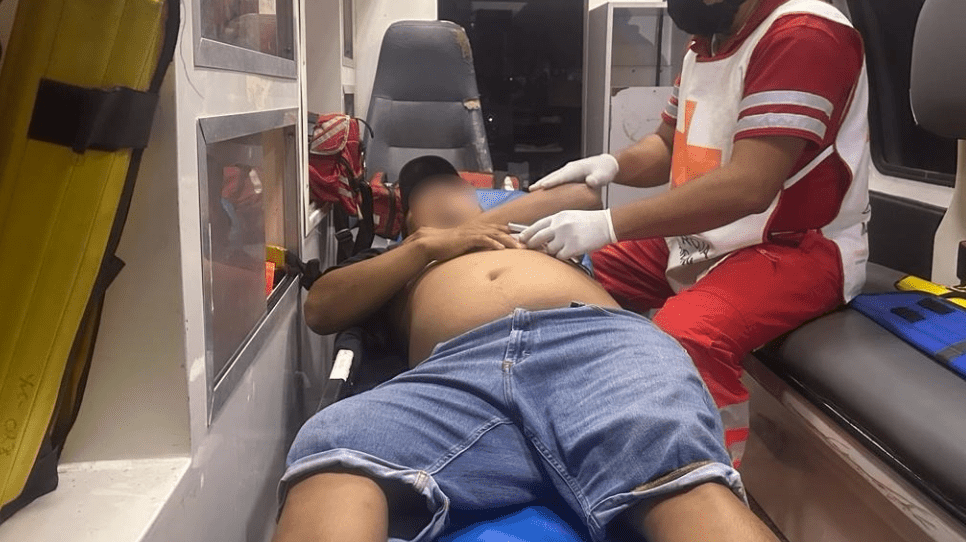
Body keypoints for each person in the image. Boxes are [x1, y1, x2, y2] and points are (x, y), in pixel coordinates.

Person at [522, 0, 871, 466]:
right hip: (709, 234)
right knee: (559, 271)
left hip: (794, 246)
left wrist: (609, 223)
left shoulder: (804, 36)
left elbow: (750, 186)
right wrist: (608, 165)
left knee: (684, 337)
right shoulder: (707, 43)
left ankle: (706, 476)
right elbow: (666, 146)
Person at [273, 156, 779, 542]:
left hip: (593, 347)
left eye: (460, 189)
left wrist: (475, 227)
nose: (453, 197)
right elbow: (322, 308)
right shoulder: (396, 262)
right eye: (432, 194)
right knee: (333, 443)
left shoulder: (525, 229)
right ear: (407, 217)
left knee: (673, 467)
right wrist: (424, 247)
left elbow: (583, 194)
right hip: (456, 376)